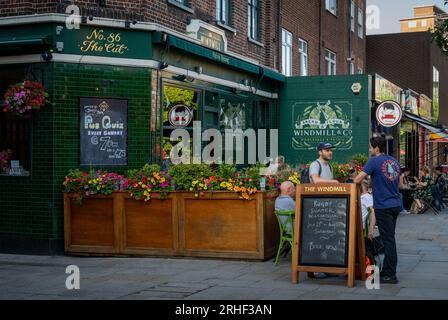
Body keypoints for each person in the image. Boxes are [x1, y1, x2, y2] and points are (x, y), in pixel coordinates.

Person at [354, 135, 402, 284]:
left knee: (388, 240)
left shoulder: (374, 161)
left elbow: (357, 179)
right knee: (389, 237)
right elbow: (400, 184)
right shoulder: (394, 161)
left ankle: (389, 274)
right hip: (395, 204)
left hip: (383, 206)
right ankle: (387, 270)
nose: (369, 150)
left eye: (370, 147)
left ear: (376, 148)